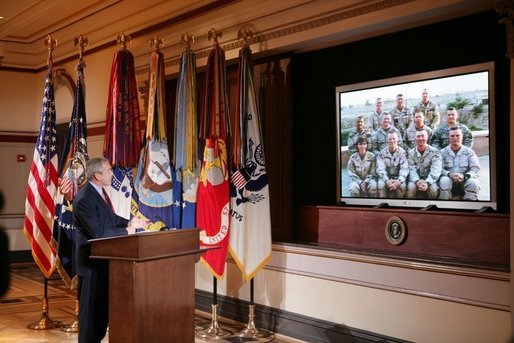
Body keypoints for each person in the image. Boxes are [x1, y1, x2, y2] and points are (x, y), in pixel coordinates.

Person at [73, 157, 150, 343]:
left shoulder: (98, 192)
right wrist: (128, 231)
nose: (111, 173)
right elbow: (98, 232)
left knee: (100, 314)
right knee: (90, 316)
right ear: (97, 175)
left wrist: (131, 222)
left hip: (104, 263)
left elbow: (111, 219)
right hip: (91, 265)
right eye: (108, 171)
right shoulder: (84, 198)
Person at [439, 127, 481, 200]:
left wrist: (465, 176)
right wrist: (449, 174)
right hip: (449, 180)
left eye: (458, 135)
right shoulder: (442, 153)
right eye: (452, 136)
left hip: (465, 180)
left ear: (462, 137)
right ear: (448, 138)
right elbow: (438, 169)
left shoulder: (470, 152)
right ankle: (444, 207)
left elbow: (475, 169)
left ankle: (470, 208)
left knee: (473, 183)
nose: (455, 138)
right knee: (444, 181)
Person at [406, 129, 442, 199]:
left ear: (427, 137)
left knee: (433, 189)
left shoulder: (435, 152)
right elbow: (411, 170)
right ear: (415, 138)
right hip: (415, 179)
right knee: (411, 188)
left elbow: (436, 170)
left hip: (430, 179)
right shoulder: (411, 153)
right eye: (418, 136)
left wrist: (427, 182)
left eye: (422, 136)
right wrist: (417, 181)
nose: (420, 138)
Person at [376, 132, 409, 198]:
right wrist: (387, 181)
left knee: (402, 186)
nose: (392, 141)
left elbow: (404, 169)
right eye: (390, 139)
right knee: (380, 185)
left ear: (397, 140)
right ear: (387, 140)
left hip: (398, 177)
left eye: (394, 138)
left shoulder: (402, 153)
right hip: (385, 177)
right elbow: (380, 169)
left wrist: (399, 181)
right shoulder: (381, 153)